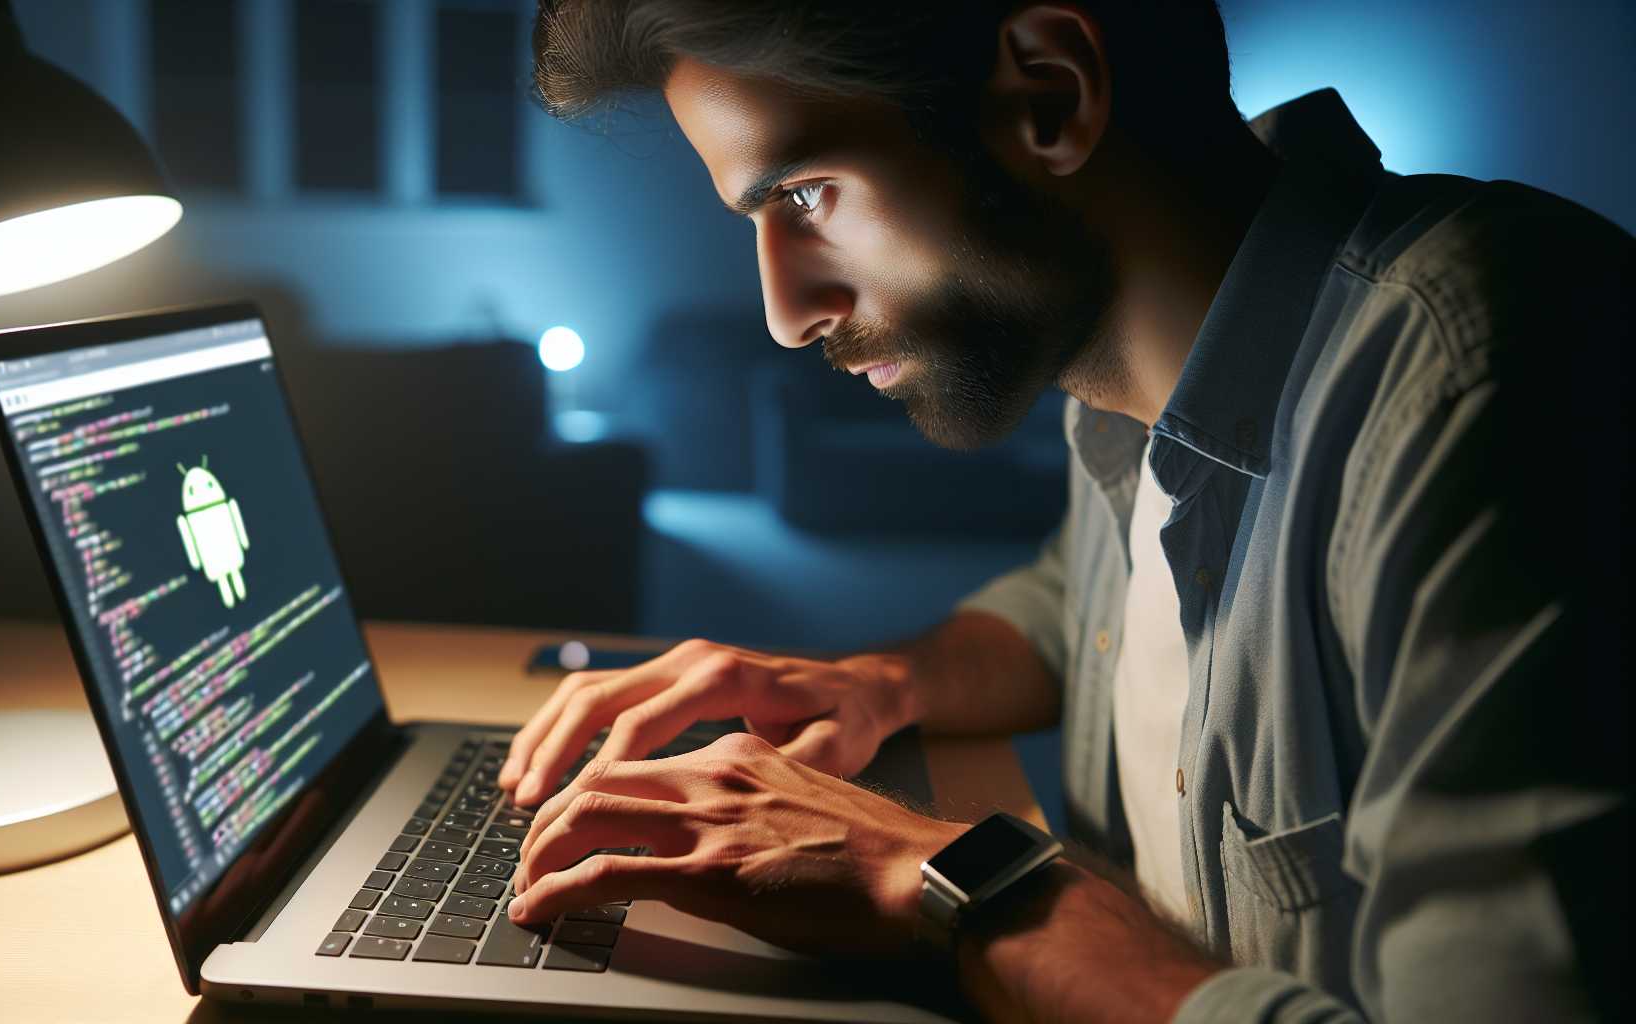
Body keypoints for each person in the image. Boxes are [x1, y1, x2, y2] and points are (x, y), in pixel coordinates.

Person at [498, 2, 1631, 1020]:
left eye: (806, 195)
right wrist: (876, 682)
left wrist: (950, 880)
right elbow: (1072, 610)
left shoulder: (1488, 377)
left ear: (1050, 94)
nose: (786, 311)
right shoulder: (1124, 378)